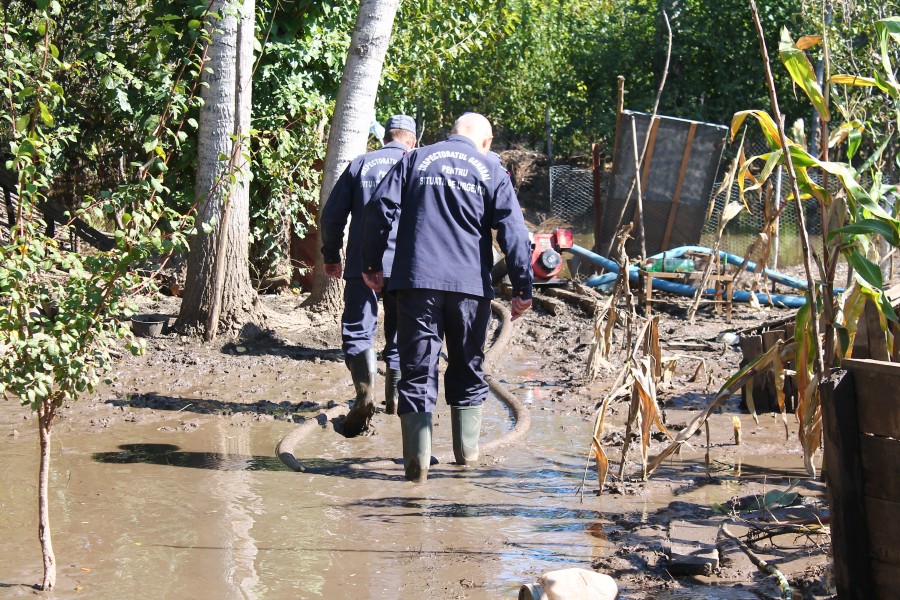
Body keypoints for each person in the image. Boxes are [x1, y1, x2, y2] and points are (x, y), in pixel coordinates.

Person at [360, 112, 533, 482]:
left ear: (451, 134)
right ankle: (465, 465)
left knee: (418, 370)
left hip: (416, 281)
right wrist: (522, 288)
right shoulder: (491, 169)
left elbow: (379, 209)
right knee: (468, 367)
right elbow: (514, 232)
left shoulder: (414, 158)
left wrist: (372, 261)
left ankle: (416, 471)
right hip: (470, 289)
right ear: (485, 142)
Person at [320, 114, 418, 437]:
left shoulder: (360, 164)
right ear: (412, 140)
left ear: (385, 137)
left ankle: (365, 396)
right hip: (407, 266)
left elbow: (332, 216)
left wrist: (331, 255)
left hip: (362, 264)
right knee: (401, 331)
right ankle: (393, 401)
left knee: (359, 331)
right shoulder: (419, 164)